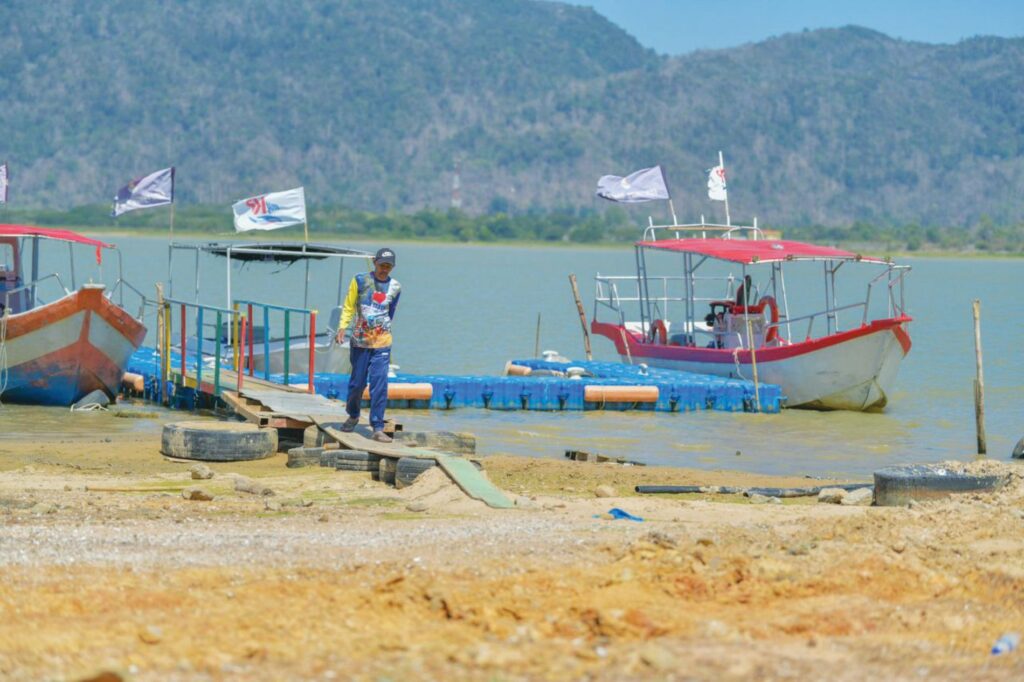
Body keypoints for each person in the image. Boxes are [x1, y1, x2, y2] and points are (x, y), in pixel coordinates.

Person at [335, 247, 401, 442]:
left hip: (382, 343)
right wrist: (342, 327)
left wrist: (381, 330)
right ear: (375, 262)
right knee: (357, 384)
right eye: (382, 265)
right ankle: (353, 414)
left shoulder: (396, 287)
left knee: (380, 384)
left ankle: (378, 427)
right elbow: (349, 305)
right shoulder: (360, 280)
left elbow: (391, 311)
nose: (384, 270)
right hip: (360, 342)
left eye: (388, 266)